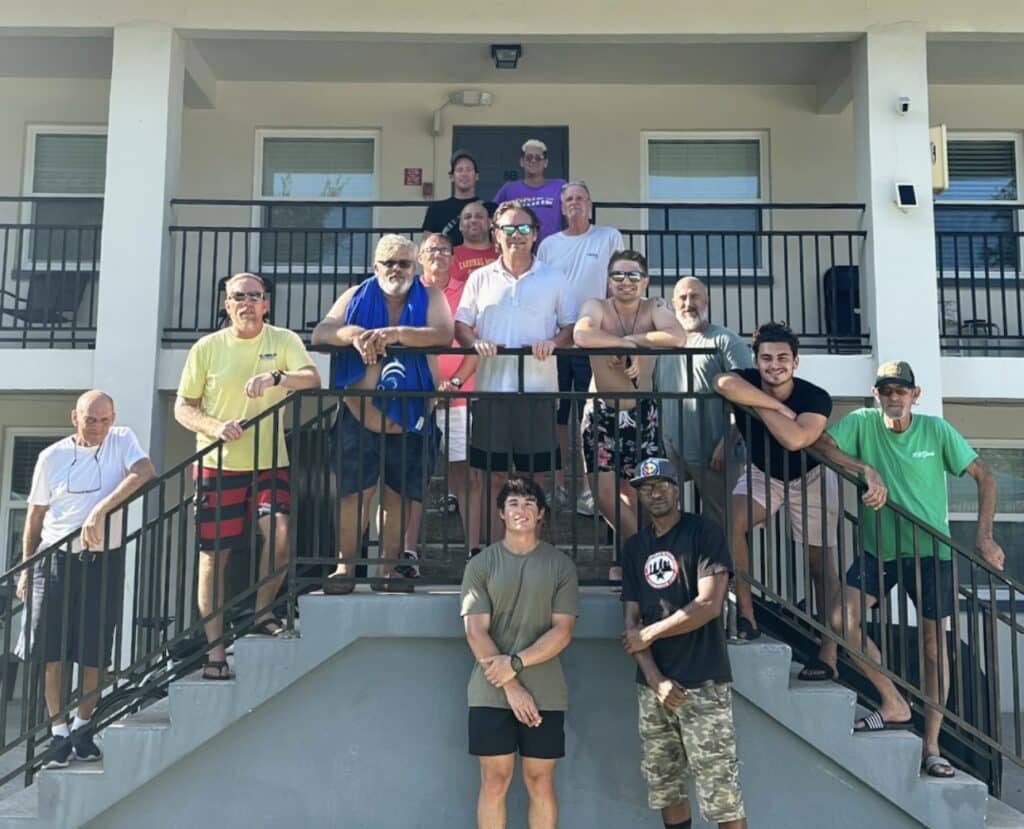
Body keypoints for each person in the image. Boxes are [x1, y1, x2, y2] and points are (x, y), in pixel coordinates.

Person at [814, 360, 1005, 779]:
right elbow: (822, 445)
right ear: (875, 393)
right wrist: (866, 469)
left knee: (935, 647)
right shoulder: (863, 423)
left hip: (932, 553)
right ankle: (894, 703)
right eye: (886, 391)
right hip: (879, 550)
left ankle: (932, 745)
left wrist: (985, 536)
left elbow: (985, 476)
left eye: (901, 391)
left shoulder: (936, 430)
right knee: (840, 621)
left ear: (915, 395)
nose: (894, 397)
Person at [176, 272, 321, 679]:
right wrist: (215, 426)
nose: (247, 303)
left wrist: (277, 378)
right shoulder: (207, 348)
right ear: (227, 305)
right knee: (212, 558)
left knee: (277, 532)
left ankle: (261, 613)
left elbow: (312, 379)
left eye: (255, 297)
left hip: (269, 461)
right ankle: (216, 651)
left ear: (266, 304)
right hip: (216, 465)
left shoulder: (283, 340)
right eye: (238, 297)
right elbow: (183, 407)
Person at [17, 391, 156, 768]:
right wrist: (27, 567)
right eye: (91, 420)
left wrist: (99, 510)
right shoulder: (52, 457)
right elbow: (35, 515)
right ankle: (59, 733)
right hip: (54, 559)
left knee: (95, 651)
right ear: (74, 417)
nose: (98, 427)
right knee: (51, 653)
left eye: (105, 420)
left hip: (102, 561)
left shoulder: (122, 439)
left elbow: (145, 472)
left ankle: (83, 726)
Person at [312, 235, 453, 593]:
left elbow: (443, 334)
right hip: (359, 418)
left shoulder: (431, 297)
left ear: (415, 266)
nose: (396, 269)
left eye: (404, 263)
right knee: (352, 495)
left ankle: (388, 570)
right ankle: (345, 568)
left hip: (412, 418)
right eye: (388, 263)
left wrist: (395, 334)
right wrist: (354, 334)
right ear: (375, 266)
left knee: (400, 496)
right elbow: (322, 333)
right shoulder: (355, 296)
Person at [621, 458, 747, 829]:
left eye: (661, 484)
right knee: (667, 789)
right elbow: (631, 623)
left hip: (703, 681)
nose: (654, 493)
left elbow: (708, 606)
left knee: (722, 795)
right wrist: (655, 679)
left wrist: (650, 633)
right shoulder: (635, 548)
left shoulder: (704, 532)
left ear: (677, 488)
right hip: (653, 688)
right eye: (646, 487)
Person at [714, 322, 840, 677]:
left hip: (812, 476)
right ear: (756, 360)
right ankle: (747, 614)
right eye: (766, 358)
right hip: (763, 474)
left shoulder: (815, 397)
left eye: (783, 358)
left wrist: (757, 406)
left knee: (819, 566)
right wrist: (773, 405)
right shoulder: (748, 379)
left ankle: (828, 653)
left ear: (796, 362)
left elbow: (796, 440)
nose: (774, 365)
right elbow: (722, 382)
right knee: (730, 524)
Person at [461, 475, 579, 829]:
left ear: (541, 513)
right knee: (494, 781)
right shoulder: (480, 565)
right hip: (490, 691)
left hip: (545, 691)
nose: (521, 510)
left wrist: (514, 664)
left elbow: (563, 631)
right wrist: (511, 685)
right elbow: (475, 631)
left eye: (529, 503)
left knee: (540, 782)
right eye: (513, 503)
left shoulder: (561, 566)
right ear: (500, 513)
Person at [454, 201, 576, 543]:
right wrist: (475, 342)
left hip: (537, 393)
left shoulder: (554, 278)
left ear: (535, 235)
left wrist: (553, 341)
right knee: (493, 478)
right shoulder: (479, 278)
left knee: (533, 479)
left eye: (523, 229)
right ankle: (496, 552)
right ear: (496, 234)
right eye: (508, 229)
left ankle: (530, 551)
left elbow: (570, 327)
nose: (516, 236)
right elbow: (462, 323)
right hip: (492, 391)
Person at [573, 250, 684, 579]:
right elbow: (582, 334)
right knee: (605, 497)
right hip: (602, 414)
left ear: (645, 281)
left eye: (633, 276)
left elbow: (677, 336)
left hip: (642, 416)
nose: (625, 282)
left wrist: (633, 342)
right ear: (609, 282)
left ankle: (627, 563)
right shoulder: (597, 306)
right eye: (618, 276)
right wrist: (623, 346)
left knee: (639, 493)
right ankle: (650, 551)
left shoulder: (655, 308)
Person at [538, 181, 624, 516]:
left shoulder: (608, 237)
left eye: (580, 198)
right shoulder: (548, 246)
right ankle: (559, 483)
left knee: (592, 414)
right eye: (569, 199)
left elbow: (617, 283)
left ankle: (589, 489)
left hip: (594, 338)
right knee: (559, 414)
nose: (574, 203)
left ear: (590, 204)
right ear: (561, 207)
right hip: (559, 341)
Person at [406, 232, 483, 558]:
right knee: (409, 475)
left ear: (454, 257)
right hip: (415, 398)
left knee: (465, 473)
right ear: (420, 257)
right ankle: (404, 553)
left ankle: (474, 550)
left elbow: (476, 345)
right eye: (431, 250)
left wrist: (452, 384)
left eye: (444, 250)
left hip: (460, 396)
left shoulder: (466, 292)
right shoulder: (406, 292)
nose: (438, 254)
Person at [656, 276, 753, 530]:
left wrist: (727, 441)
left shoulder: (724, 341)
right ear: (673, 303)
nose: (689, 303)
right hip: (672, 453)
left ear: (706, 301)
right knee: (665, 521)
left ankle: (731, 572)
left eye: (695, 296)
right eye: (683, 298)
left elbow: (749, 396)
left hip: (716, 453)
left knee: (723, 525)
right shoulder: (665, 345)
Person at [493, 139, 567, 243]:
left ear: (545, 163)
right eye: (529, 157)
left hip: (553, 251)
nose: (533, 161)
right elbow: (493, 216)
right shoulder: (509, 189)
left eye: (538, 158)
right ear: (522, 162)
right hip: (518, 250)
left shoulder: (560, 186)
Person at [422, 150, 496, 247]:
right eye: (459, 170)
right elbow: (427, 246)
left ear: (476, 176)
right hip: (448, 260)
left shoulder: (491, 209)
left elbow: (498, 242)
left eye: (469, 169)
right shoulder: (436, 209)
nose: (464, 174)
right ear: (452, 177)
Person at [451, 200, 498, 285]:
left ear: (489, 223)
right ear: (460, 226)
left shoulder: (503, 254)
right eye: (467, 217)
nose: (473, 220)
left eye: (479, 216)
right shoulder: (449, 256)